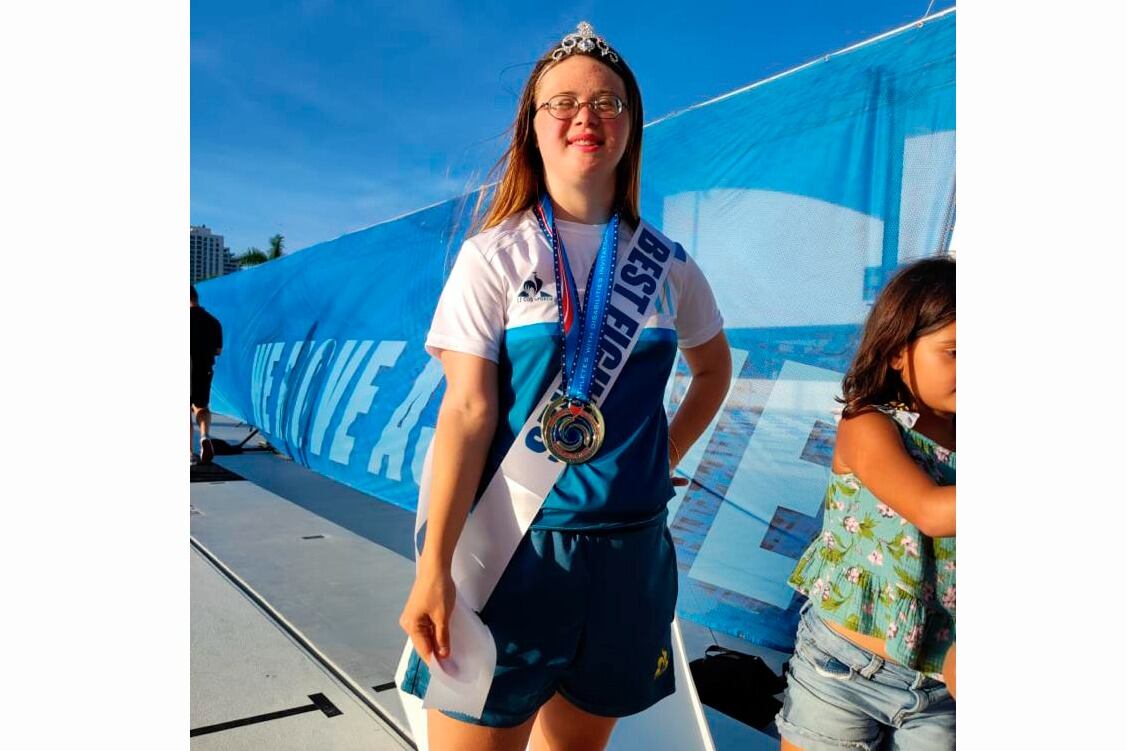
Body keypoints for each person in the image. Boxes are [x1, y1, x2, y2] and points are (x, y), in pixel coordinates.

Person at [397, 21, 731, 751]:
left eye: (609, 102)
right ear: (533, 127)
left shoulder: (669, 266)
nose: (588, 117)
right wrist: (432, 571)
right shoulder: (494, 255)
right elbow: (466, 411)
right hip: (511, 549)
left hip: (628, 558)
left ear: (631, 127)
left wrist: (659, 452)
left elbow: (714, 369)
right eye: (564, 103)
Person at [777, 257, 956, 751]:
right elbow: (931, 510)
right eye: (955, 352)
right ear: (898, 352)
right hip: (841, 668)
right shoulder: (868, 425)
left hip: (942, 689)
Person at [190, 285, 223, 464]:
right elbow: (218, 350)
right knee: (201, 406)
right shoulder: (213, 321)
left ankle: (189, 452)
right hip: (204, 367)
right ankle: (204, 436)